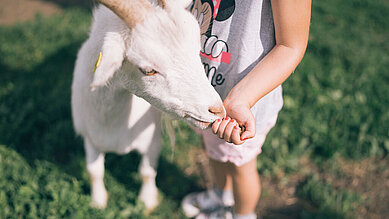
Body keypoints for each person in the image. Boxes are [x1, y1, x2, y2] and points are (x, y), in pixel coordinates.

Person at [181, 0, 312, 218]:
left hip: (244, 106)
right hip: (208, 91)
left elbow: (291, 45)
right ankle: (220, 197)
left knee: (241, 166)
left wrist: (241, 100)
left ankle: (243, 214)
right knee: (215, 151)